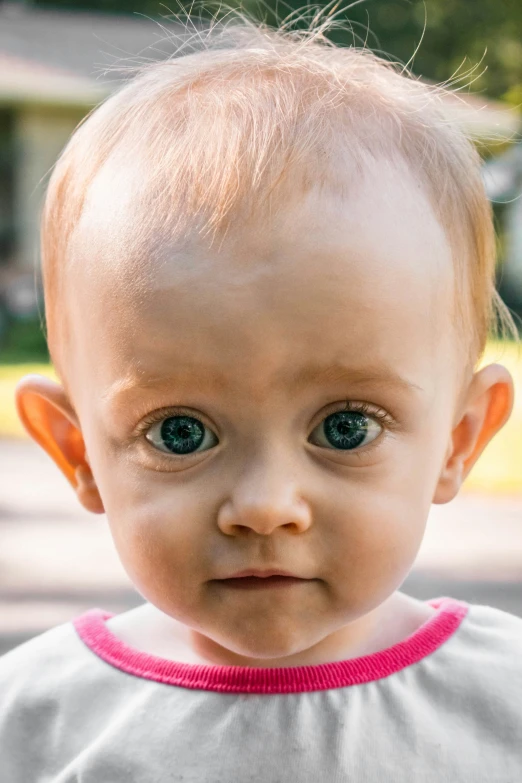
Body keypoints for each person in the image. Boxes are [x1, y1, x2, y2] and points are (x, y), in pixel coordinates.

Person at [1, 14, 521, 781]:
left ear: (460, 437)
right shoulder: (36, 721)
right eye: (179, 432)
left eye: (345, 426)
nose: (265, 504)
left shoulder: (500, 702)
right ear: (76, 450)